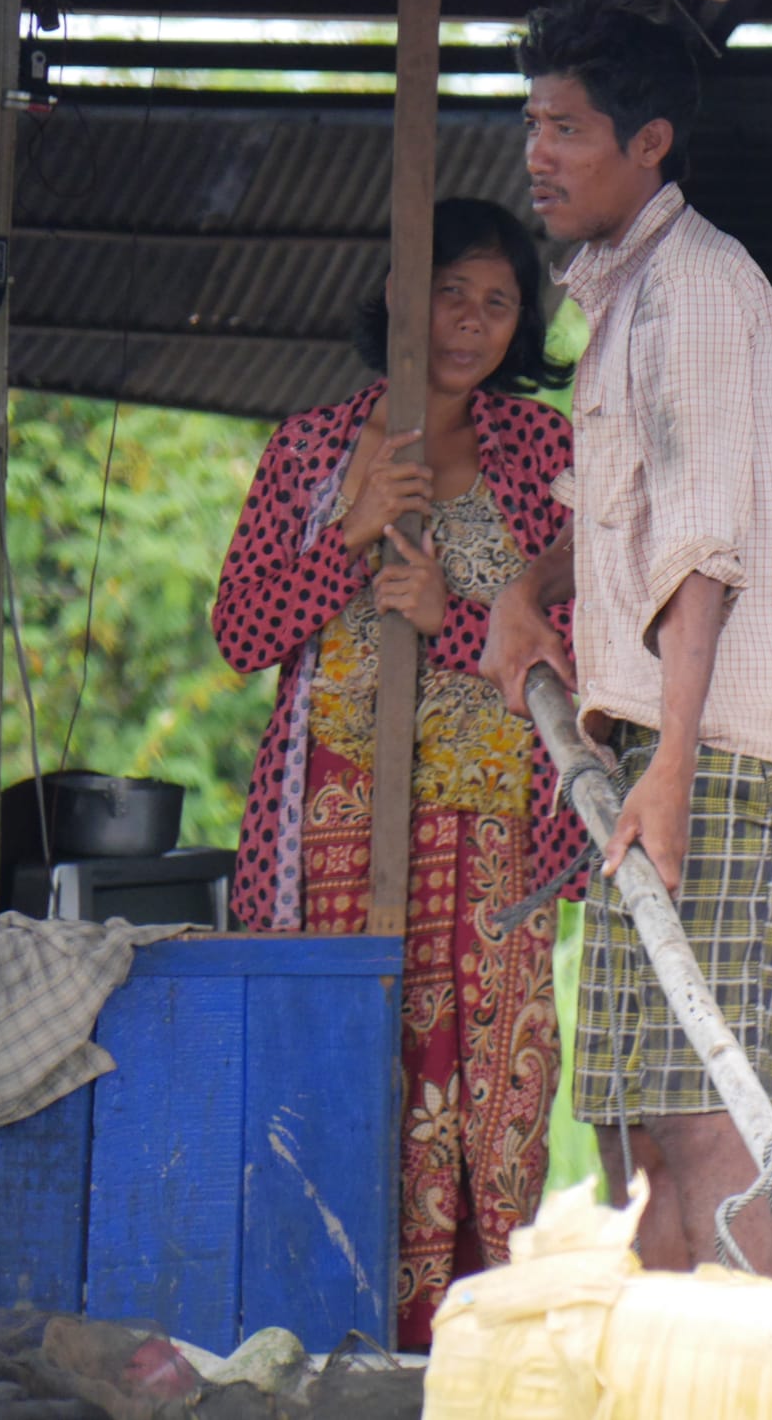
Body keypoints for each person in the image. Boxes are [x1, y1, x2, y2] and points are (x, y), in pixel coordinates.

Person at [481, 0, 772, 1277]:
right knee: (632, 1133)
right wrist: (531, 584)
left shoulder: (694, 290)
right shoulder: (620, 300)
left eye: (568, 129)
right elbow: (620, 513)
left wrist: (675, 769)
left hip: (729, 754)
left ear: (650, 145)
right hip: (655, 749)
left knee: (705, 1126)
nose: (538, 153)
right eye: (533, 123)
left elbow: (703, 555)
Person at [213, 197, 588, 1345]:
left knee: (477, 1107)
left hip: (487, 836)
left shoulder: (545, 453)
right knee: (335, 1086)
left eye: (497, 301)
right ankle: (322, 1348)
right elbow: (240, 632)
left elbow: (597, 651)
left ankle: (459, 1363)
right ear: (395, 295)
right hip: (327, 828)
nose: (470, 322)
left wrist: (461, 609)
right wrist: (351, 531)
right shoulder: (314, 447)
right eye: (449, 291)